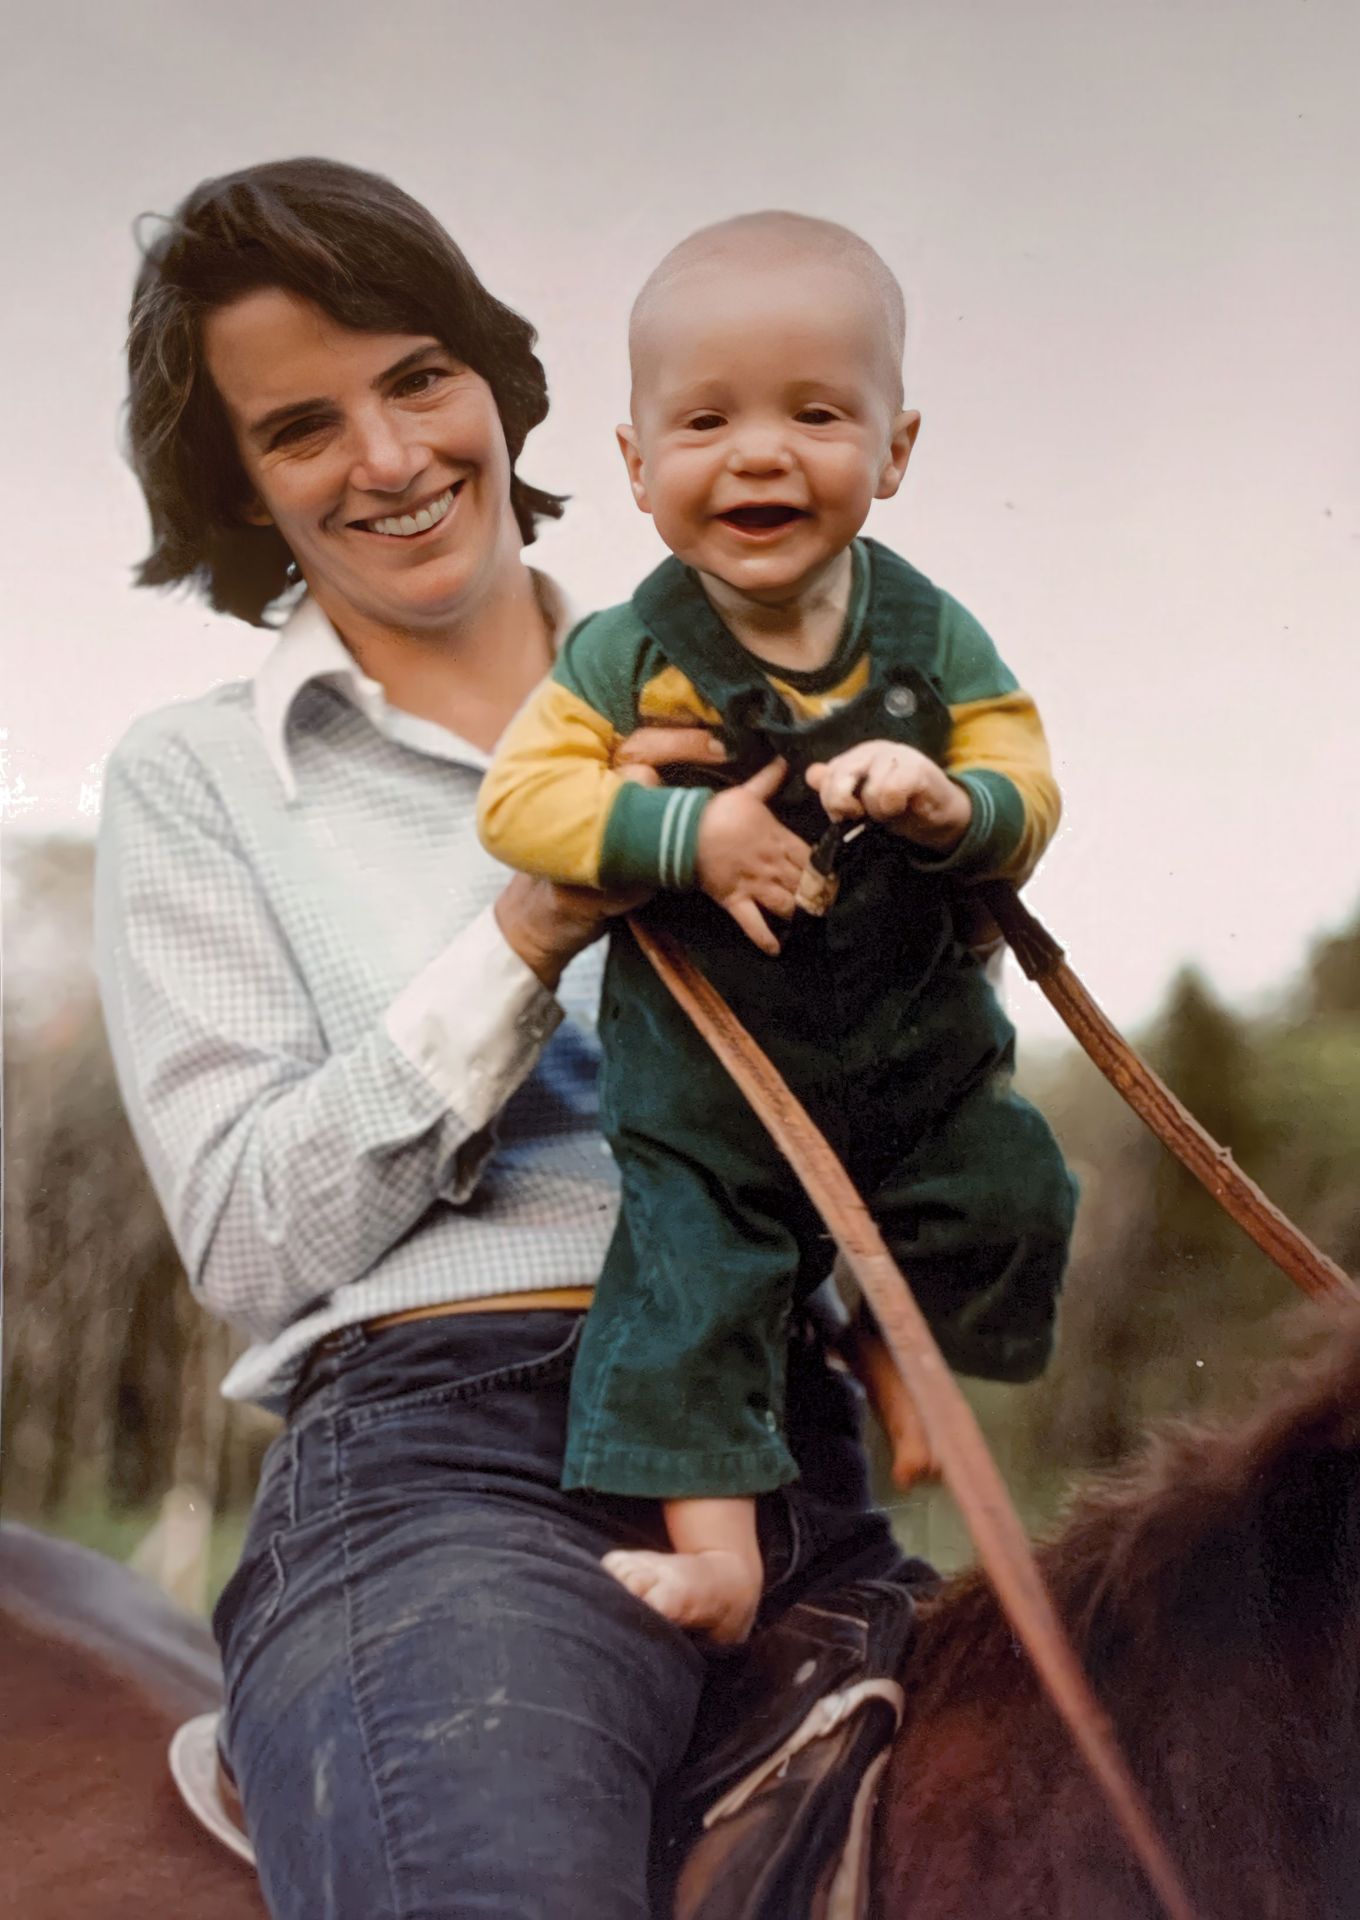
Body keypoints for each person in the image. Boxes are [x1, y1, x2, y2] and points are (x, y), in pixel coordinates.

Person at [94, 160, 912, 1920]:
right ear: (241, 483)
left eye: (414, 380)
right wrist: (539, 918)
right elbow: (247, 1241)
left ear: (493, 382)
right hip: (447, 1463)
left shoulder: (746, 683)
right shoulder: (201, 780)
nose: (386, 461)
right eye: (301, 427)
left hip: (798, 1450)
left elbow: (900, 1112)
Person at [478, 211, 1079, 1643]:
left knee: (1016, 1193)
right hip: (718, 1093)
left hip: (908, 1054)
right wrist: (686, 832)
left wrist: (954, 802)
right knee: (689, 1292)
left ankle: (889, 1344)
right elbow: (520, 800)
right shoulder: (627, 651)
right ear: (635, 467)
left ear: (897, 449)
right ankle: (723, 1564)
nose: (760, 453)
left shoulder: (932, 635)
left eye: (816, 412)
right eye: (706, 419)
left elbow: (1029, 775)